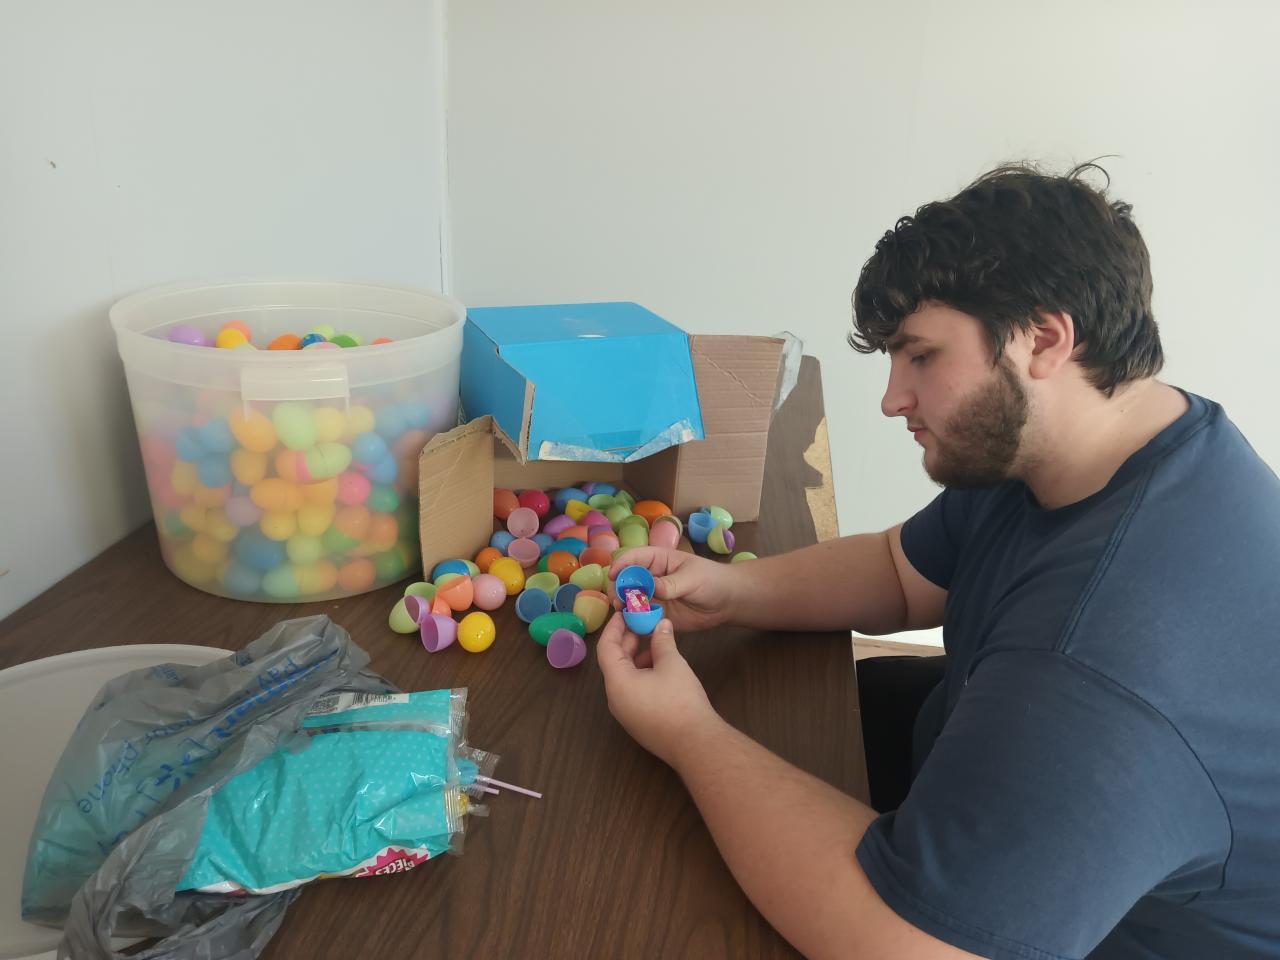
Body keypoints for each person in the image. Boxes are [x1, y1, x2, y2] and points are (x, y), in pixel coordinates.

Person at [597, 163, 1280, 960]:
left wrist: (687, 732)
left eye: (920, 356)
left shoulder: (1100, 657)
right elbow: (902, 569)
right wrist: (731, 590)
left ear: (1045, 340)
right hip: (1005, 803)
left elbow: (909, 944)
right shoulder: (1096, 439)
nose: (892, 398)